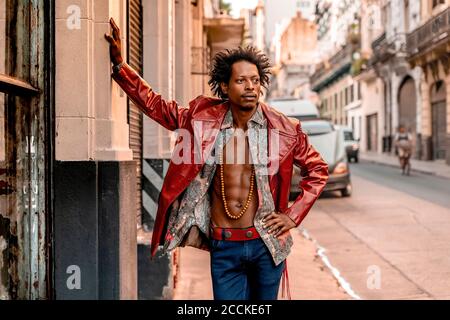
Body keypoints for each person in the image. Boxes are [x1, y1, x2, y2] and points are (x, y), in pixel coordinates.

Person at [105, 18, 328, 300]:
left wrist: (292, 216)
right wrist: (121, 68)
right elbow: (158, 107)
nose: (250, 87)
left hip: (266, 246)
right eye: (241, 80)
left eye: (256, 81)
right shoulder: (202, 118)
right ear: (224, 86)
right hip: (225, 246)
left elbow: (318, 170)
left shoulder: (284, 128)